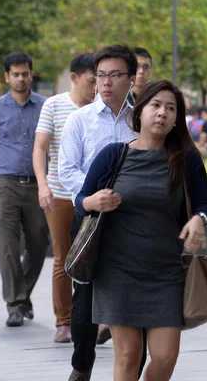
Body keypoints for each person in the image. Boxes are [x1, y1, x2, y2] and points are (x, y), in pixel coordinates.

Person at [77, 80, 207, 381]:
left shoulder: (185, 159)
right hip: (117, 271)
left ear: (177, 117)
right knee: (128, 356)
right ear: (140, 112)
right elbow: (80, 202)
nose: (162, 113)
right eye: (155, 105)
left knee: (165, 357)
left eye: (170, 108)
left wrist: (198, 219)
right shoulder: (114, 155)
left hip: (166, 271)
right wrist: (93, 200)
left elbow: (205, 205)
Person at [58, 44, 141, 381]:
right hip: (90, 217)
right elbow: (66, 169)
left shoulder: (142, 118)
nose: (105, 83)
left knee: (136, 295)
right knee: (85, 297)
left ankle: (133, 367)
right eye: (101, 76)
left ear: (131, 79)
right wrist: (94, 195)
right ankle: (82, 364)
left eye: (114, 76)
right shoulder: (80, 119)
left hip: (135, 221)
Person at [0, 52, 49, 328]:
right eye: (15, 74)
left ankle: (23, 293)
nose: (20, 78)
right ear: (7, 77)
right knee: (7, 246)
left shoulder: (45, 106)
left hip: (38, 186)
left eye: (25, 73)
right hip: (4, 184)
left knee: (39, 244)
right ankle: (15, 304)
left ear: (31, 74)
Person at [32, 53, 97, 343]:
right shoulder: (54, 105)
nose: (97, 87)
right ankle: (64, 321)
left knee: (98, 256)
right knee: (63, 256)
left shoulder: (102, 109)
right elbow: (39, 148)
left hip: (95, 196)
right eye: (92, 80)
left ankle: (100, 319)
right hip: (59, 194)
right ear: (74, 78)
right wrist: (42, 185)